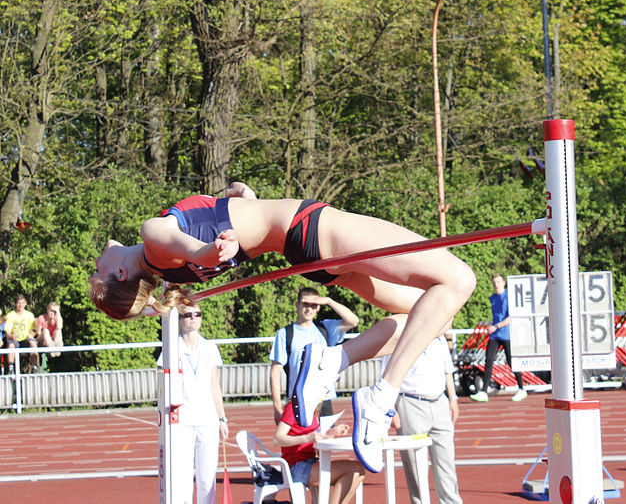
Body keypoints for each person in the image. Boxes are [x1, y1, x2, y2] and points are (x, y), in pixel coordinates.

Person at [90, 181, 476, 473]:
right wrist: (203, 251)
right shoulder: (154, 239)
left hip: (307, 250)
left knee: (437, 316)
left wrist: (243, 202)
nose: (97, 263)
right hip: (312, 228)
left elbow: (238, 227)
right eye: (99, 272)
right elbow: (172, 234)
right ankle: (381, 397)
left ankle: (333, 361)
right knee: (459, 280)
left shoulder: (174, 272)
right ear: (121, 272)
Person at [156, 296, 229, 504]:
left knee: (207, 479)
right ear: (180, 320)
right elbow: (164, 386)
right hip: (182, 422)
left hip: (207, 419)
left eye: (197, 314)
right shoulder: (172, 348)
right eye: (188, 315)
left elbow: (215, 385)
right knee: (183, 477)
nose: (193, 318)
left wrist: (222, 419)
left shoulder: (210, 348)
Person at [382, 335, 463, 504]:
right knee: (415, 467)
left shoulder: (439, 339)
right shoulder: (399, 338)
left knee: (446, 463)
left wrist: (453, 398)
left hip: (439, 402)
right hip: (411, 403)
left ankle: (451, 501)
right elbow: (387, 376)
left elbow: (448, 370)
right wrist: (391, 409)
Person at [270, 287, 359, 423]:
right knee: (300, 443)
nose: (309, 309)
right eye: (305, 304)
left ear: (318, 308)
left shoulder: (326, 329)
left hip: (324, 399)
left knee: (325, 441)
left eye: (313, 305)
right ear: (297, 305)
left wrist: (329, 301)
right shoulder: (285, 334)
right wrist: (276, 405)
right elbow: (275, 370)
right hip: (298, 400)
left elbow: (353, 321)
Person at [273, 401, 364, 504]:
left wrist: (329, 434)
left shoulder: (312, 410)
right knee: (354, 469)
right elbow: (277, 439)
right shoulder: (294, 408)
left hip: (310, 462)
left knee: (359, 471)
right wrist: (306, 438)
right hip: (296, 467)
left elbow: (315, 442)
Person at [470, 273, 527, 403]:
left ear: (503, 283)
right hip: (495, 334)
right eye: (494, 282)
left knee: (512, 361)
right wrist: (493, 326)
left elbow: (511, 317)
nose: (496, 284)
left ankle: (521, 388)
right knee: (488, 361)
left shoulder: (509, 297)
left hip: (506, 333)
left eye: (498, 281)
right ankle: (484, 391)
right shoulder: (493, 298)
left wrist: (496, 326)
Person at [4, 294, 39, 372]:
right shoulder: (11, 315)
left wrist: (31, 335)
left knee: (33, 343)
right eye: (19, 303)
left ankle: (34, 366)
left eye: (22, 303)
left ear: (25, 303)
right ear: (15, 304)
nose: (20, 305)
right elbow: (7, 332)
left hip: (25, 339)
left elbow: (34, 330)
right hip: (15, 339)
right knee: (11, 345)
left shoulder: (29, 315)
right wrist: (11, 336)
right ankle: (11, 367)